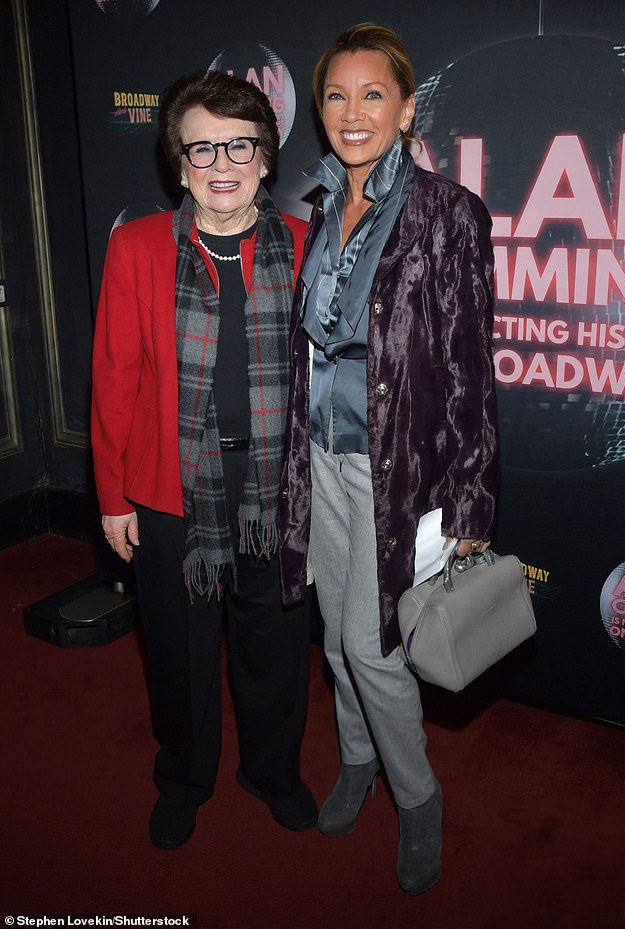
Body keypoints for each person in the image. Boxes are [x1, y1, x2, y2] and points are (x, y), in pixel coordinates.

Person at [279, 24, 498, 894]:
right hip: (323, 459)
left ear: (408, 108)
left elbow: (472, 368)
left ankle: (419, 798)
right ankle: (360, 759)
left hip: (397, 469)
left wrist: (473, 497)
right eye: (335, 95)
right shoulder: (323, 207)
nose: (351, 112)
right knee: (334, 637)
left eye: (373, 94)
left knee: (374, 648)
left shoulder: (449, 214)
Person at [91, 69, 317, 850]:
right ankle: (184, 774)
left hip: (275, 491)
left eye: (239, 144)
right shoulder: (138, 246)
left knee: (277, 647)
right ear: (178, 163)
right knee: (179, 655)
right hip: (168, 493)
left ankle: (273, 771)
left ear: (265, 155)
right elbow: (114, 378)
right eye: (201, 149)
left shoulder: (305, 244)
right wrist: (113, 496)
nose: (221, 164)